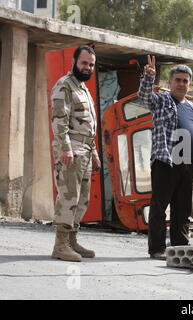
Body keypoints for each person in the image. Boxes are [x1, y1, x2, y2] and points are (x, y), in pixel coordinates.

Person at [138, 56, 193, 260]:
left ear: (190, 84)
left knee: (183, 208)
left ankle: (180, 246)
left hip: (187, 164)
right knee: (159, 207)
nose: (181, 84)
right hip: (165, 161)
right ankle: (157, 249)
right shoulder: (161, 100)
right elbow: (144, 98)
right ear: (170, 83)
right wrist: (148, 78)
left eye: (185, 81)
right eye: (177, 80)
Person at [51, 45, 101, 262]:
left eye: (91, 64)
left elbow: (89, 126)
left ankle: (72, 240)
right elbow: (59, 120)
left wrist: (96, 153)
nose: (88, 67)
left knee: (82, 199)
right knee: (69, 196)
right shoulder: (65, 85)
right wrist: (66, 148)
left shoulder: (83, 88)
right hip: (71, 150)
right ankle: (60, 245)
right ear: (74, 61)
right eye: (84, 63)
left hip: (86, 151)